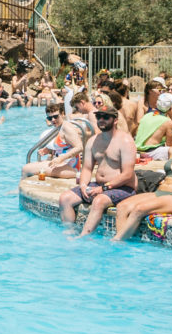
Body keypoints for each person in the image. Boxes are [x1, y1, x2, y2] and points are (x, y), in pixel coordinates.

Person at [56, 99, 137, 236]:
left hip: (123, 188)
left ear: (115, 120)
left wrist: (104, 188)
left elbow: (127, 174)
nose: (101, 120)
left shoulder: (125, 141)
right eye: (98, 117)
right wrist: (83, 185)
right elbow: (87, 168)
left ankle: (83, 236)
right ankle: (69, 233)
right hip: (99, 184)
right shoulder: (93, 141)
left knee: (99, 201)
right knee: (65, 198)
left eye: (105, 117)